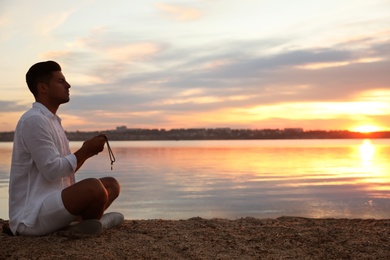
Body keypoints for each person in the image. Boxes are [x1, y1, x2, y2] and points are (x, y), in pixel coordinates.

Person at [8, 61, 123, 236]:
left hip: (55, 204)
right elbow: (53, 171)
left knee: (112, 185)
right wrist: (86, 150)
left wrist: (87, 152)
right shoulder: (33, 120)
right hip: (32, 215)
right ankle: (88, 223)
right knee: (94, 187)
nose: (68, 85)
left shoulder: (53, 121)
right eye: (61, 81)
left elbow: (64, 170)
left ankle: (80, 224)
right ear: (43, 88)